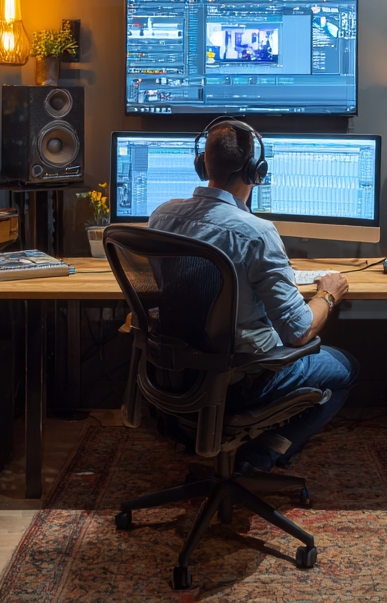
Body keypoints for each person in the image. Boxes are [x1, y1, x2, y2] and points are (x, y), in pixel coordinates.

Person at [147, 120, 359, 473]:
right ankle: (260, 457)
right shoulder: (256, 234)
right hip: (242, 379)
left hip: (176, 371)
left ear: (203, 164)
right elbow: (298, 332)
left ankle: (215, 443)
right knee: (347, 367)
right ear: (255, 171)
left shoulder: (162, 216)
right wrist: (329, 293)